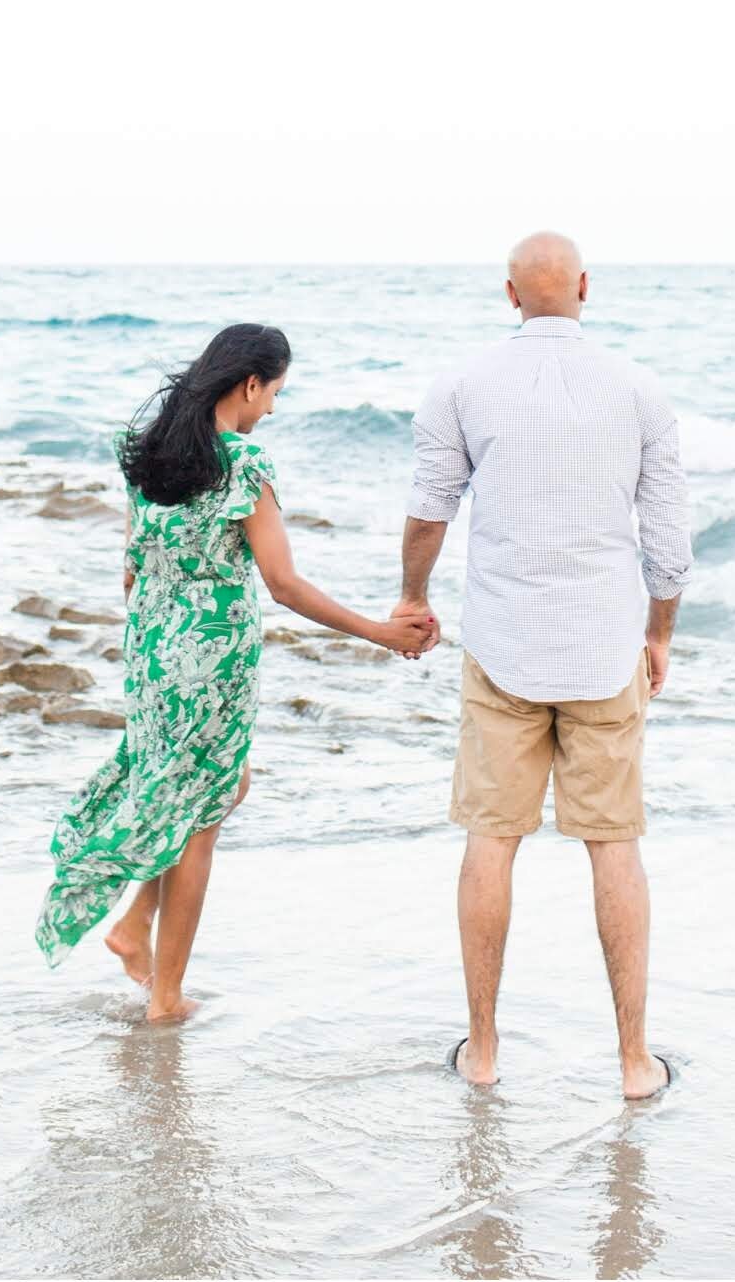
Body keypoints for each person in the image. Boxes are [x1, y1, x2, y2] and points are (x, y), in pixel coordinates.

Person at [34, 322, 432, 1018]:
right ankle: (166, 997)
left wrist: (161, 630)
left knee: (212, 787)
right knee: (202, 815)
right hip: (213, 661)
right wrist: (377, 632)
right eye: (273, 393)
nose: (271, 409)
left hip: (153, 651)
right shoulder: (243, 464)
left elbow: (130, 573)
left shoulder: (149, 457)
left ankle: (132, 929)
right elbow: (282, 583)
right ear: (249, 384)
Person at [394, 233, 693, 1099]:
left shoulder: (461, 385)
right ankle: (636, 1063)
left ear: (510, 294)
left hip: (504, 650)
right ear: (586, 289)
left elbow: (428, 510)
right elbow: (669, 544)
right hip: (604, 651)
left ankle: (482, 1053)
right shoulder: (638, 389)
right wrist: (660, 633)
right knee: (615, 851)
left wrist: (412, 597)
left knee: (492, 843)